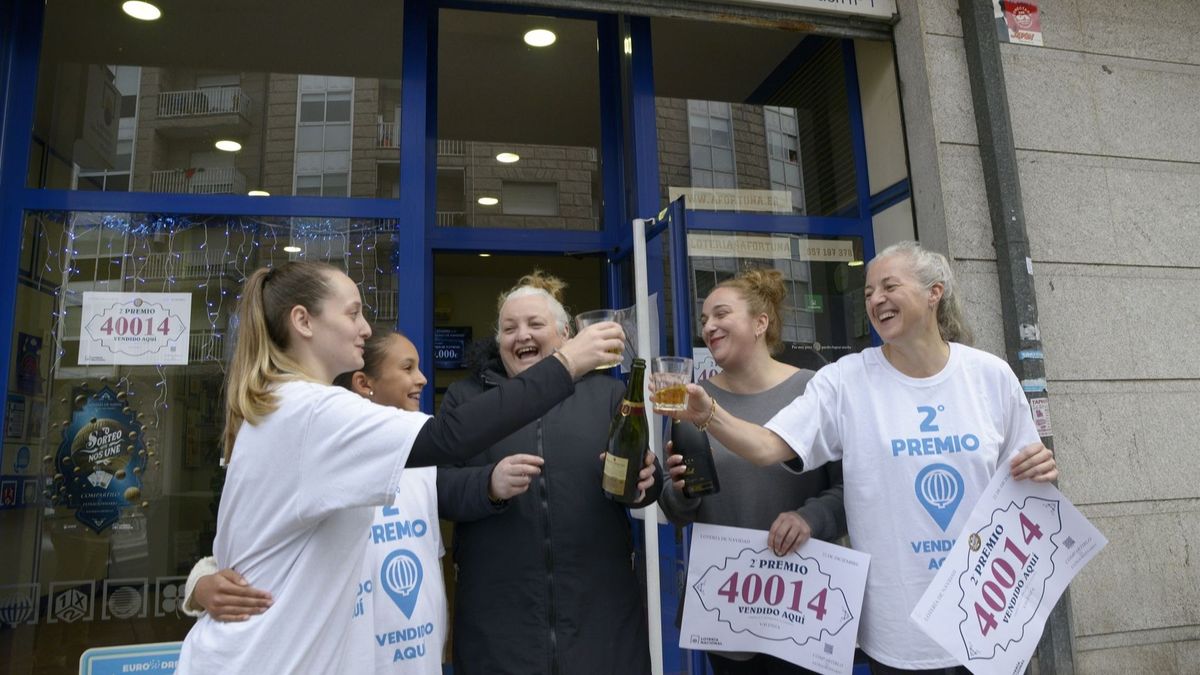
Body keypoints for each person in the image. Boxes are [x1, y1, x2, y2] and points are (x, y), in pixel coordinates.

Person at [176, 261, 624, 674]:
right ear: (303, 321)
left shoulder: (287, 407)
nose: (365, 329)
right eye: (352, 314)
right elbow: (449, 437)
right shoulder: (313, 412)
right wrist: (568, 363)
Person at [662, 242, 1058, 675]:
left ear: (934, 293)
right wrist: (710, 415)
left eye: (889, 286)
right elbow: (766, 447)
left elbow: (1024, 485)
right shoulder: (846, 381)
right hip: (897, 634)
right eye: (868, 292)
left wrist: (1041, 471)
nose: (875, 299)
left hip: (985, 618)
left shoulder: (990, 376)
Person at [183, 328, 477, 673]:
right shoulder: (304, 445)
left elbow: (432, 548)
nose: (423, 379)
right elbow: (253, 544)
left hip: (412, 658)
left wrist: (491, 486)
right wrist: (200, 584)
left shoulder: (420, 456)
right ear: (363, 383)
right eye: (407, 368)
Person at [436, 271, 662, 675]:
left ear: (564, 336)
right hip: (501, 627)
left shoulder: (607, 394)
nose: (521, 335)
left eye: (534, 325)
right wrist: (487, 484)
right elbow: (437, 487)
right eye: (509, 328)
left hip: (600, 620)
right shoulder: (466, 399)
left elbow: (639, 476)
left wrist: (648, 481)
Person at [659, 268, 846, 675]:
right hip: (728, 602)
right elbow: (676, 509)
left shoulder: (812, 389)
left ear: (761, 323)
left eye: (721, 314)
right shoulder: (692, 400)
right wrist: (681, 491)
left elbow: (850, 487)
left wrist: (811, 518)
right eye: (704, 320)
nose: (709, 326)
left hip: (805, 601)